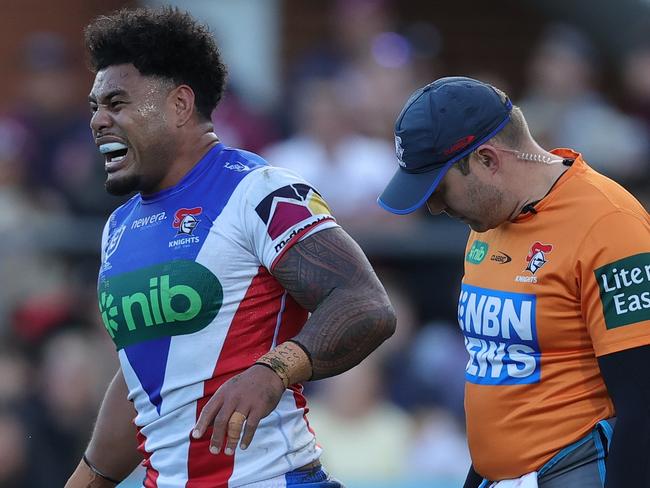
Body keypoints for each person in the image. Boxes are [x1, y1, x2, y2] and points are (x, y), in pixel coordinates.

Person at [65, 7, 396, 488]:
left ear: (180, 104)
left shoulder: (260, 191)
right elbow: (143, 380)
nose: (98, 120)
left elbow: (366, 305)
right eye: (95, 106)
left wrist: (274, 370)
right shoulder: (118, 226)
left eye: (116, 102)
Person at [378, 76, 650, 487]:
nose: (433, 207)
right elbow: (498, 371)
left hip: (574, 470)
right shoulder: (489, 216)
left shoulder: (609, 224)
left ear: (488, 160)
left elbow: (643, 401)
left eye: (439, 187)